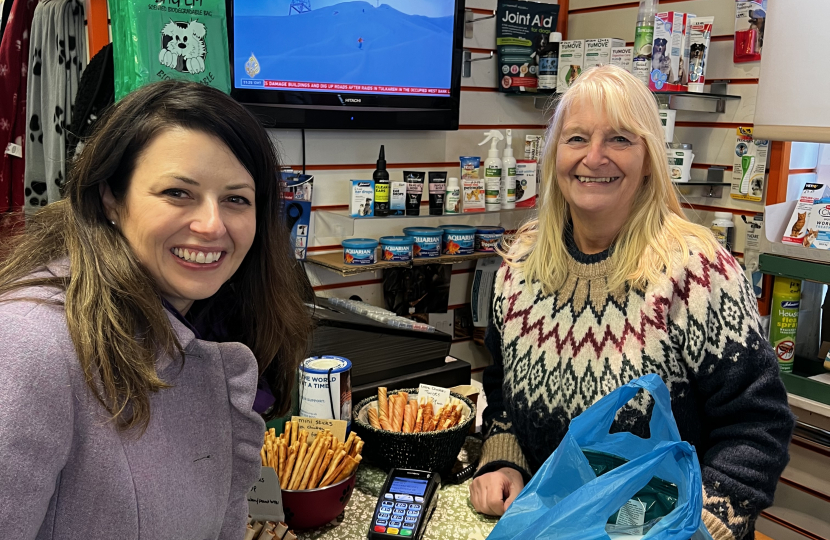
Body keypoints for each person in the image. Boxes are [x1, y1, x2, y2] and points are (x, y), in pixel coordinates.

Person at [469, 65, 794, 540]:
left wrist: (700, 525)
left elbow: (757, 427)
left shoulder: (699, 272)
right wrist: (502, 457)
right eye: (576, 138)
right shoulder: (519, 267)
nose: (594, 157)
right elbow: (501, 392)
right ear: (554, 154)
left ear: (649, 159)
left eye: (620, 139)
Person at [0, 80, 313, 539]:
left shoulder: (215, 316)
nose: (212, 225)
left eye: (236, 199)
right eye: (177, 193)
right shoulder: (31, 345)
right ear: (111, 196)